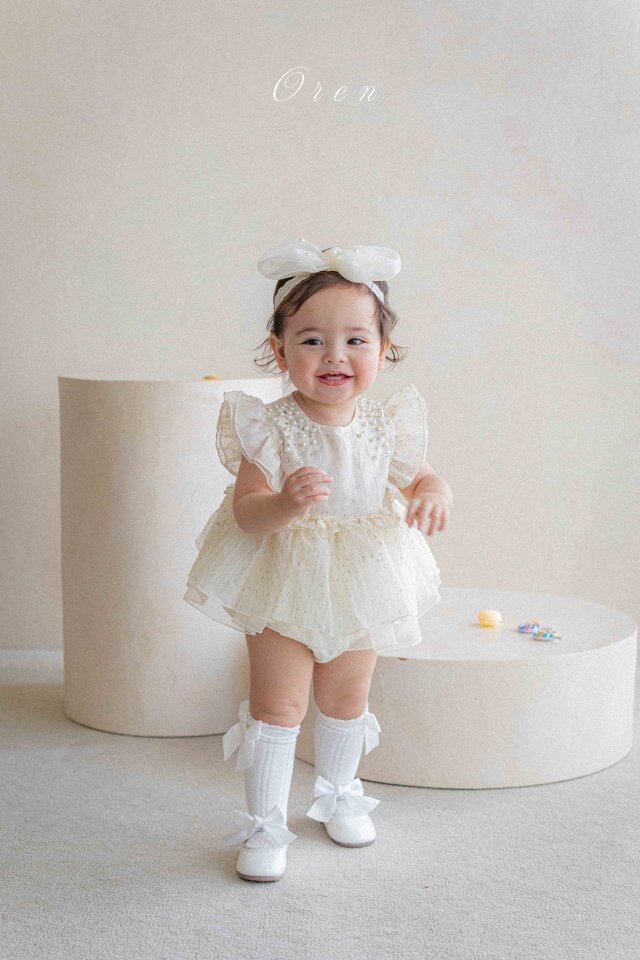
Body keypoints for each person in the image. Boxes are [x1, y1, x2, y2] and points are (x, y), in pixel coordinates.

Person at [183, 238, 453, 882]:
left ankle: (337, 795)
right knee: (279, 707)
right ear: (279, 352)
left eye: (356, 340)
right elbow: (247, 512)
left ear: (383, 351)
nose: (335, 355)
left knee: (347, 698)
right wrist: (284, 503)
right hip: (283, 579)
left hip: (363, 578)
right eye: (311, 340)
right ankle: (265, 825)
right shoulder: (271, 427)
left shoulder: (385, 425)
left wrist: (434, 493)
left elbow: (422, 477)